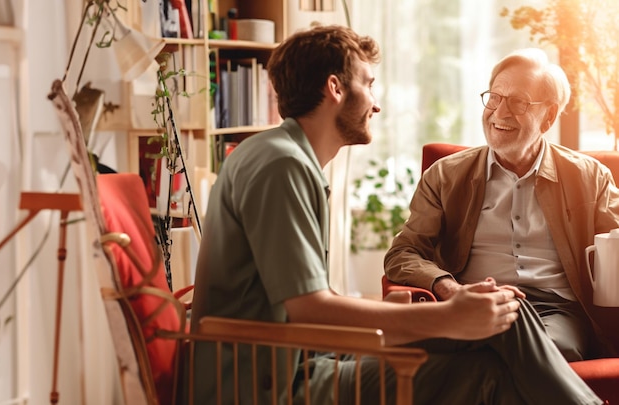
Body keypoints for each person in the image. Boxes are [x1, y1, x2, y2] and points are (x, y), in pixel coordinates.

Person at [190, 26, 602, 404]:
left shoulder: (282, 156)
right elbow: (310, 308)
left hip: (295, 359)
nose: (377, 103)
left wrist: (446, 316)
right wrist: (445, 312)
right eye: (368, 84)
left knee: (490, 350)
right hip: (269, 382)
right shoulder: (283, 165)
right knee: (501, 329)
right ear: (335, 88)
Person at [384, 47, 619, 363]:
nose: (499, 113)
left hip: (553, 310)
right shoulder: (446, 175)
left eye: (518, 102)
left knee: (548, 353)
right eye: (494, 97)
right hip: (474, 304)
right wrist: (448, 287)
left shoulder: (589, 176)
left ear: (549, 116)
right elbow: (403, 253)